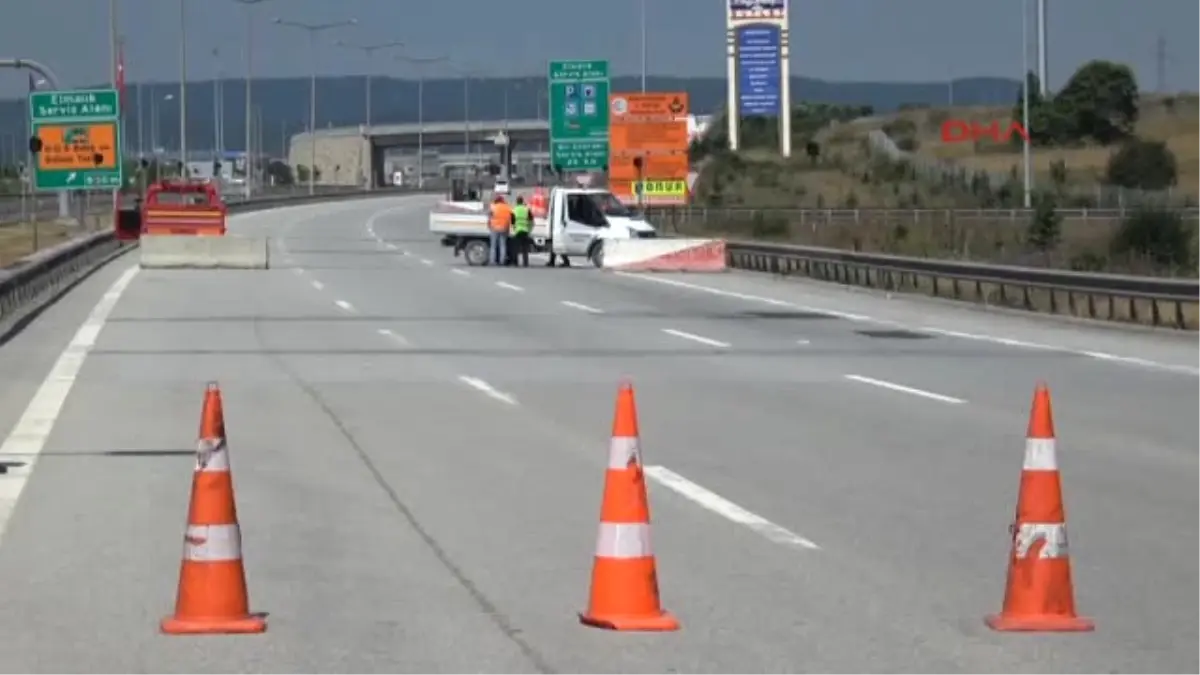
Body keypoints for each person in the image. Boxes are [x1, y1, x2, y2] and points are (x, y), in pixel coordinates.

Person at [487, 194, 513, 266]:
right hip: (504, 228)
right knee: (503, 245)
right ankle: (502, 261)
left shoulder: (493, 206)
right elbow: (512, 216)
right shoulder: (507, 207)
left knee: (493, 246)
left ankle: (492, 261)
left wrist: (489, 224)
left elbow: (489, 216)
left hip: (494, 227)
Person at [510, 196, 533, 268]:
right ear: (522, 201)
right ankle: (525, 263)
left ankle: (515, 263)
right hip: (525, 231)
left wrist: (513, 228)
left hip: (517, 230)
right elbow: (531, 220)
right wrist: (529, 229)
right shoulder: (526, 209)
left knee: (515, 248)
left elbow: (512, 221)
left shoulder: (514, 210)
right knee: (525, 249)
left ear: (516, 202)